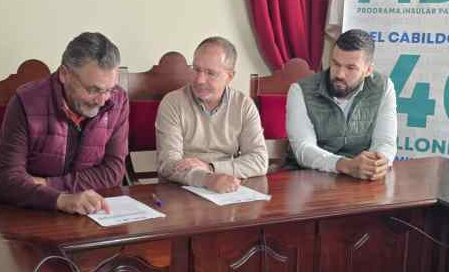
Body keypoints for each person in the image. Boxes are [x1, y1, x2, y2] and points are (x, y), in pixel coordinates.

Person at [0, 32, 128, 214]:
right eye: (93, 90)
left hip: (93, 210)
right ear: (64, 74)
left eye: (109, 90)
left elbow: (114, 172)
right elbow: (5, 181)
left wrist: (48, 184)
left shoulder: (118, 100)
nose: (102, 101)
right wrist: (61, 200)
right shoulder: (25, 102)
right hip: (33, 213)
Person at [155, 37, 268, 193]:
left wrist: (211, 168)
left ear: (229, 77)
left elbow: (259, 161)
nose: (200, 80)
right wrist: (207, 179)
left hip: (228, 187)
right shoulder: (173, 102)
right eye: (196, 70)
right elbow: (168, 164)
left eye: (211, 73)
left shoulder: (243, 105)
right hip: (182, 189)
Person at [285, 29, 397, 180]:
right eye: (336, 64)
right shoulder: (300, 90)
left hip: (360, 179)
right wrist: (346, 165)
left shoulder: (383, 87)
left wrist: (377, 162)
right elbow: (303, 149)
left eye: (350, 68)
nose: (339, 74)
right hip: (307, 178)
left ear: (368, 70)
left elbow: (385, 141)